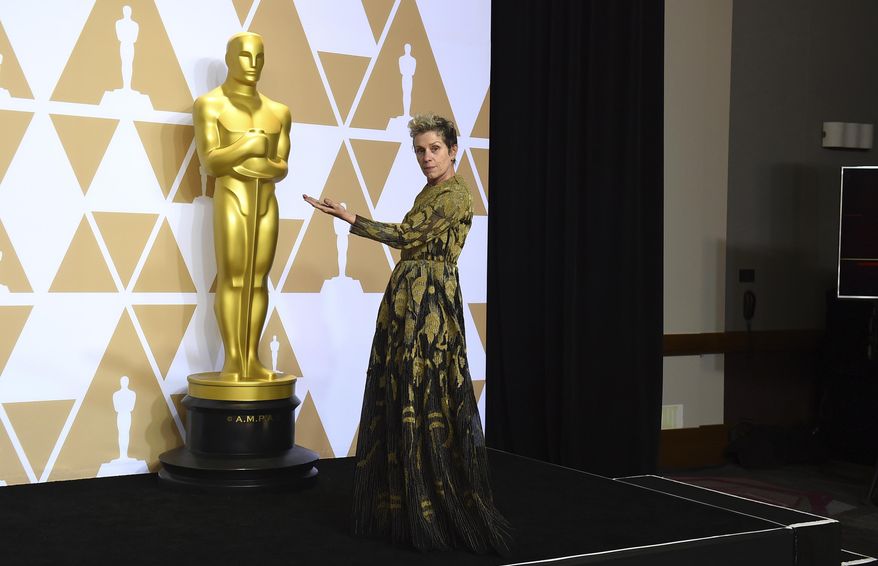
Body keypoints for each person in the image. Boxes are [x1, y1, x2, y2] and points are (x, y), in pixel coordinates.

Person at [303, 114, 511, 554]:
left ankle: (436, 507)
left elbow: (407, 236)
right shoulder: (429, 191)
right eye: (420, 150)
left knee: (427, 394)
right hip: (407, 301)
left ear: (453, 150)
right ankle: (403, 509)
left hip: (431, 306)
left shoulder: (455, 196)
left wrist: (350, 217)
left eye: (434, 148)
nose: (426, 157)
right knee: (401, 393)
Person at [193, 32, 291, 380]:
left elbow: (281, 168)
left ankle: (252, 358)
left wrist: (241, 158)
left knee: (259, 280)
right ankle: (234, 360)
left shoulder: (278, 111)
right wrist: (248, 147)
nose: (253, 65)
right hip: (232, 197)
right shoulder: (210, 105)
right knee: (233, 278)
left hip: (265, 200)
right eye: (246, 56)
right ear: (230, 58)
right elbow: (212, 163)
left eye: (259, 57)